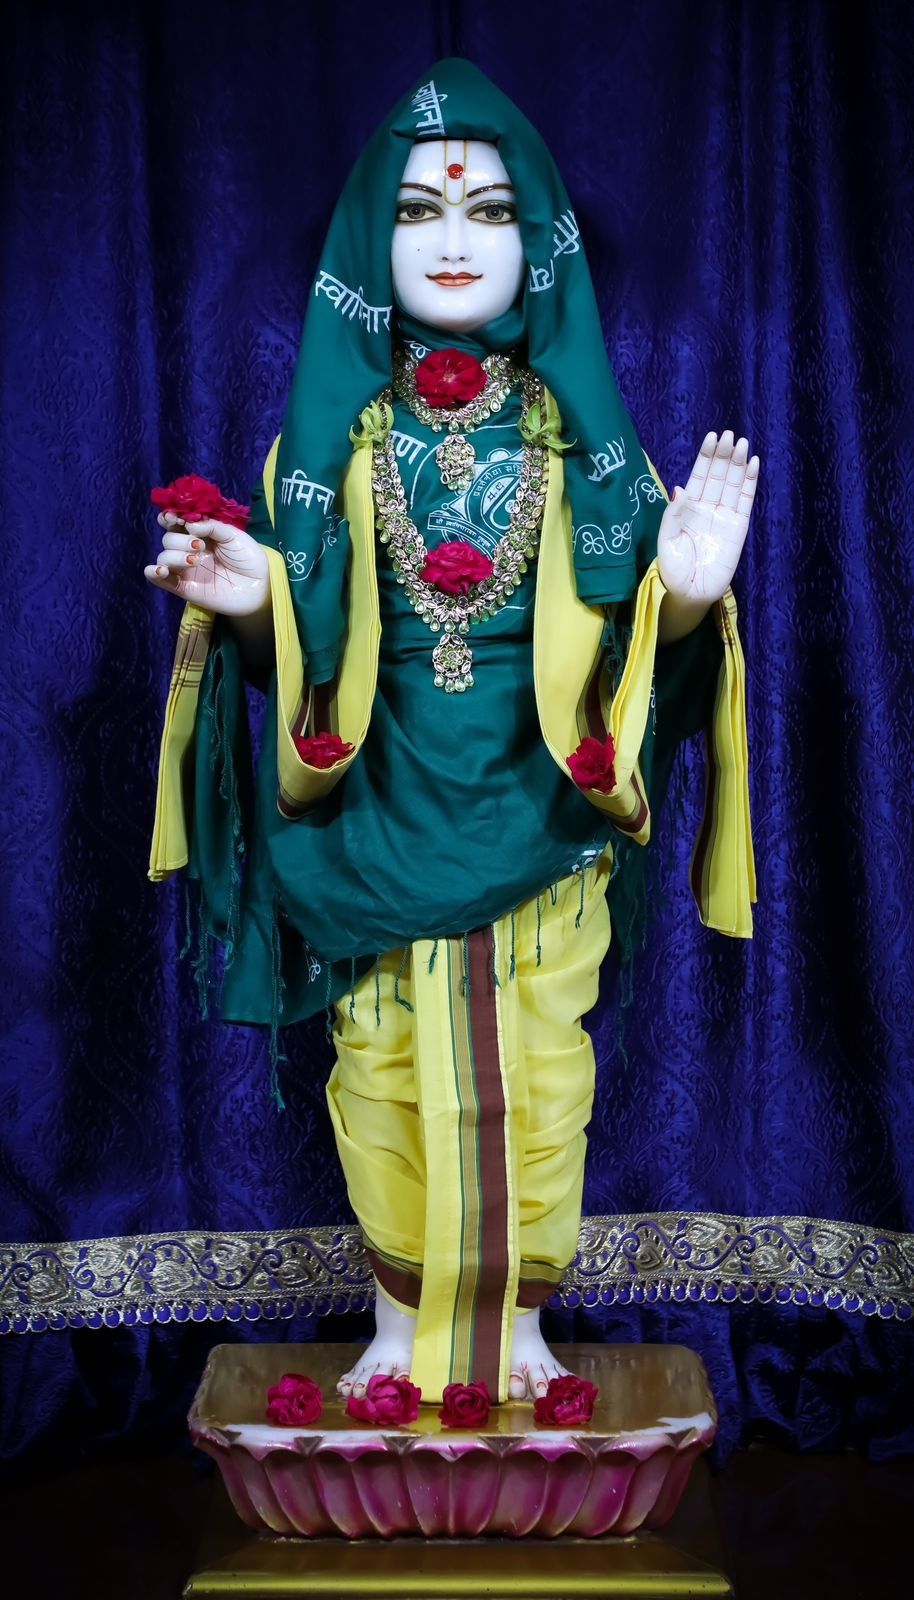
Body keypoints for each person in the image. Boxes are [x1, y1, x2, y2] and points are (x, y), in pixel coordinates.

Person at [145, 60, 757, 1406]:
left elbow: (638, 642)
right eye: (421, 212)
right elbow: (293, 647)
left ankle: (516, 1333)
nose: (456, 241)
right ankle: (397, 1319)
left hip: (540, 820)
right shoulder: (335, 449)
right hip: (373, 816)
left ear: (536, 242)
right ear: (375, 244)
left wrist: (691, 594)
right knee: (377, 1073)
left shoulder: (585, 446)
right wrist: (249, 600)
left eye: (486, 214)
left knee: (539, 1078)